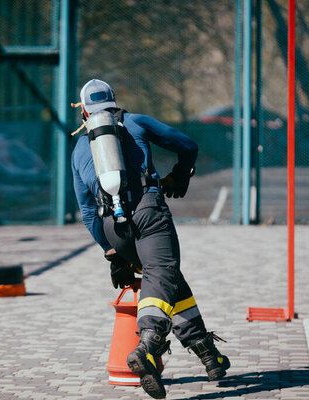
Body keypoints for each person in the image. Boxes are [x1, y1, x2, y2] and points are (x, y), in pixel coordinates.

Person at [71, 79, 230, 399]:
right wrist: (181, 173)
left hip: (112, 226)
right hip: (148, 212)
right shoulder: (135, 121)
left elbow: (87, 213)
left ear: (84, 112)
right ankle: (147, 345)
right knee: (162, 273)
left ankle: (208, 354)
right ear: (114, 101)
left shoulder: (77, 150)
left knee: (167, 277)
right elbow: (187, 145)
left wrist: (112, 253)